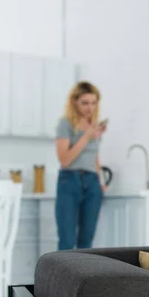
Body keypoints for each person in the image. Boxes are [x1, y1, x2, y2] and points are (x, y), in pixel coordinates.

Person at [54, 81, 107, 250]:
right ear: (74, 101)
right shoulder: (66, 123)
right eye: (85, 103)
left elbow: (94, 157)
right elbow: (65, 160)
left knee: (86, 243)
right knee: (67, 242)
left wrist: (100, 181)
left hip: (92, 183)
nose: (89, 108)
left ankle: (84, 277)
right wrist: (86, 137)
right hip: (70, 181)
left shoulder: (94, 126)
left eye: (93, 103)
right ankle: (62, 277)